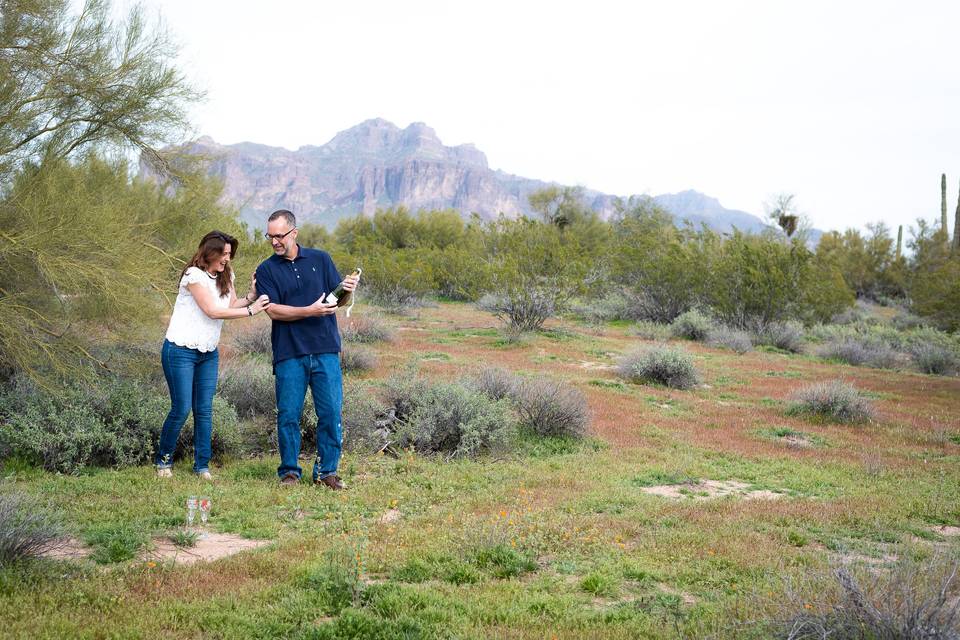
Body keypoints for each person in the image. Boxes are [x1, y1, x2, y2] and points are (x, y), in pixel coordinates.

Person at [254, 209, 359, 489]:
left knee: (331, 413)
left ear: (294, 233)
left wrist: (348, 288)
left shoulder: (320, 259)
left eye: (279, 236)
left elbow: (337, 300)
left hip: (325, 350)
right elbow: (273, 310)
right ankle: (289, 472)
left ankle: (327, 473)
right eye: (270, 236)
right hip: (289, 352)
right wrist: (309, 311)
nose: (275, 241)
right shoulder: (266, 270)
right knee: (288, 414)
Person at [156, 230, 271, 479]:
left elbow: (229, 306)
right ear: (210, 252)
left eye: (230, 254)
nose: (227, 259)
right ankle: (163, 462)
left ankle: (202, 467)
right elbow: (212, 311)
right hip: (180, 350)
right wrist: (252, 311)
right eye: (223, 254)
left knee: (204, 409)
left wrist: (250, 296)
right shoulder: (193, 275)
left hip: (208, 352)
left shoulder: (226, 274)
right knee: (181, 408)